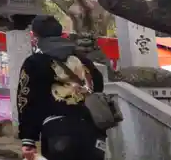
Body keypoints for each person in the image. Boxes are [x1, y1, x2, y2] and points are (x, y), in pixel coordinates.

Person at [17, 15, 106, 160]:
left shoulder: (35, 62)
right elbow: (98, 84)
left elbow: (27, 100)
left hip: (57, 131)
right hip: (91, 130)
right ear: (61, 34)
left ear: (35, 36)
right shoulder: (83, 60)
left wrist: (28, 138)